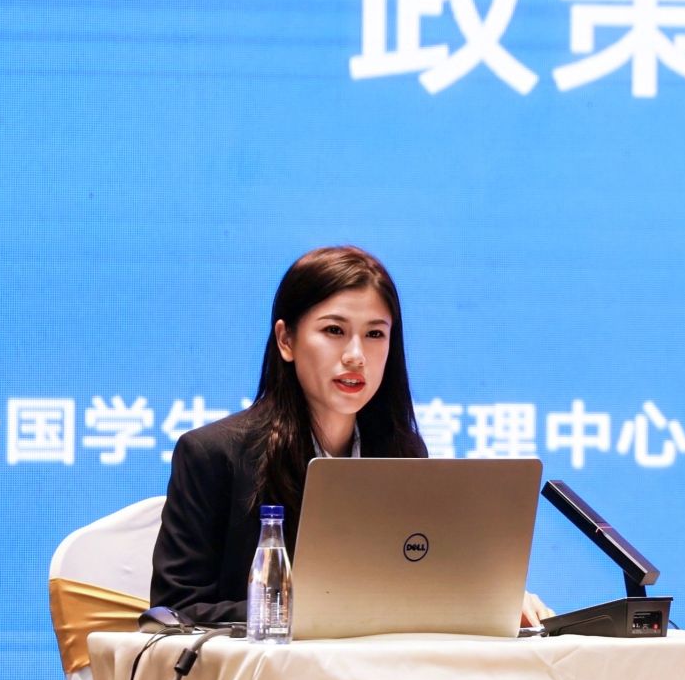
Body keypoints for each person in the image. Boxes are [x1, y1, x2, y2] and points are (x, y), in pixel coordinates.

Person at [149, 244, 548, 627]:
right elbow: (176, 611)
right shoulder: (213, 454)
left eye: (375, 334)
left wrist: (492, 601)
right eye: (334, 330)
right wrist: (311, 612)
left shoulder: (403, 454)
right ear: (286, 340)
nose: (356, 355)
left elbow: (417, 586)